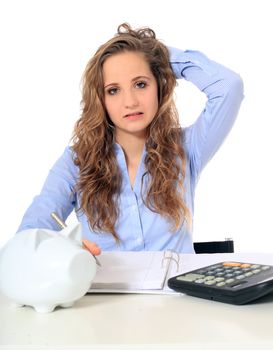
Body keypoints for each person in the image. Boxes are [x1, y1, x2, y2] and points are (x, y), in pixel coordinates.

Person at [17, 23, 244, 256]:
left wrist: (157, 56)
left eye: (141, 84)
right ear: (100, 100)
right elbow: (28, 239)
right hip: (104, 292)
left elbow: (228, 87)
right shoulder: (76, 162)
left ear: (159, 86)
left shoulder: (186, 147)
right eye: (113, 90)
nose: (131, 102)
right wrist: (65, 250)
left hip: (175, 291)